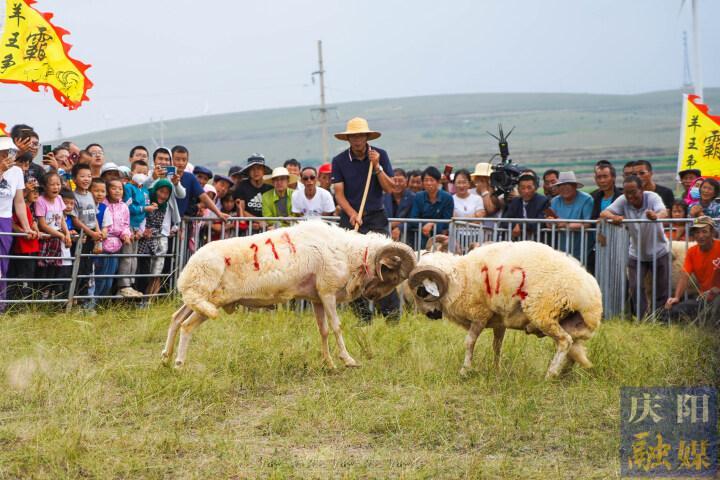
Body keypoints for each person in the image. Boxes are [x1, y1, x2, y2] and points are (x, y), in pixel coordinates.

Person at [331, 117, 398, 323]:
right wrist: (351, 213)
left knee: (383, 266)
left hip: (376, 217)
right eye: (353, 136)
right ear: (348, 139)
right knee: (352, 268)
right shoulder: (339, 161)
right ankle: (362, 316)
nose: (357, 140)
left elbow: (390, 188)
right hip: (351, 218)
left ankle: (390, 315)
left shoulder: (380, 155)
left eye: (361, 135)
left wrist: (377, 166)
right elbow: (339, 194)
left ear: (367, 137)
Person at [600, 175, 670, 318]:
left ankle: (660, 318)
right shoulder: (623, 200)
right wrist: (614, 217)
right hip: (636, 253)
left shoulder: (652, 197)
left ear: (642, 189)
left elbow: (664, 212)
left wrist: (656, 216)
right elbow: (604, 213)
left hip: (659, 251)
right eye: (627, 192)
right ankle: (641, 318)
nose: (630, 196)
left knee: (661, 288)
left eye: (633, 192)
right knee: (635, 287)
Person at [0, 137, 35, 309]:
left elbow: (19, 201)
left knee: (3, 263)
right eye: (4, 152)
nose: (7, 155)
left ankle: (1, 304)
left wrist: (26, 226)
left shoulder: (16, 172)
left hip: (5, 219)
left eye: (10, 151)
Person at [664, 216, 720, 324]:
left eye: (704, 231)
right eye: (697, 232)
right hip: (706, 299)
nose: (700, 236)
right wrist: (676, 297)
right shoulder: (692, 252)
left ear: (712, 233)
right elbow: (685, 276)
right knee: (675, 310)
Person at [116, 161, 151, 298]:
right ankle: (123, 285)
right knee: (126, 255)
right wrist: (143, 209)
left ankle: (130, 283)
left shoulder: (145, 190)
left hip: (138, 227)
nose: (141, 175)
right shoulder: (129, 188)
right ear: (132, 173)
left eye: (144, 172)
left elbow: (145, 211)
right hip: (127, 225)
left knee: (133, 256)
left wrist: (141, 229)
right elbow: (127, 207)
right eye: (139, 172)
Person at [35, 172, 72, 300]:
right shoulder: (40, 201)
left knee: (54, 269)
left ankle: (50, 297)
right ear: (44, 186)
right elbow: (43, 224)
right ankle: (39, 297)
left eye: (58, 184)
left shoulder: (59, 199)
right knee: (43, 270)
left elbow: (61, 219)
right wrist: (61, 235)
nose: (56, 187)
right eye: (52, 184)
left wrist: (66, 233)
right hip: (46, 239)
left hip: (58, 238)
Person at [69, 163, 102, 310]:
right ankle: (73, 300)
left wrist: (98, 233)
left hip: (91, 236)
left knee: (87, 269)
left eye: (89, 176)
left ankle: (82, 301)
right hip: (80, 237)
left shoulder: (90, 195)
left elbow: (94, 216)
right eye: (82, 176)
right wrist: (91, 233)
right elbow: (75, 219)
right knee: (77, 268)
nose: (86, 179)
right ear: (74, 178)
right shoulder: (73, 196)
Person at [138, 179, 174, 300]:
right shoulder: (146, 202)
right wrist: (144, 230)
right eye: (161, 191)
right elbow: (139, 218)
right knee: (139, 270)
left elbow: (160, 226)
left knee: (155, 272)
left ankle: (148, 301)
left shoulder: (165, 207)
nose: (163, 195)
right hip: (141, 240)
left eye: (166, 193)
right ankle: (135, 299)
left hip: (155, 242)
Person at [96, 179, 132, 298]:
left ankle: (103, 302)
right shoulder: (102, 205)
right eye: (114, 188)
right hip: (102, 243)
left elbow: (125, 225)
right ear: (107, 191)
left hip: (116, 246)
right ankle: (93, 302)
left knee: (109, 277)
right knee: (99, 275)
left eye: (120, 188)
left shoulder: (124, 207)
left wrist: (126, 235)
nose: (117, 191)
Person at [171, 146, 228, 220]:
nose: (181, 163)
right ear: (171, 160)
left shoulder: (190, 178)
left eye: (184, 160)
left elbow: (204, 197)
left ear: (187, 161)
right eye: (177, 159)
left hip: (180, 223)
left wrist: (218, 213)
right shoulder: (164, 177)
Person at [549, 171, 594, 263]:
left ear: (575, 186)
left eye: (568, 185)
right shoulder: (555, 201)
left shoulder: (587, 199)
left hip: (583, 249)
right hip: (562, 250)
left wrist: (565, 224)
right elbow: (550, 223)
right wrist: (550, 222)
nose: (565, 188)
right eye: (562, 185)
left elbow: (587, 224)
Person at [409, 166, 454, 249]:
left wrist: (433, 224)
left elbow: (447, 220)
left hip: (442, 237)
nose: (429, 183)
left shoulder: (447, 197)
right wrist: (425, 225)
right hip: (422, 236)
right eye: (426, 180)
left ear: (438, 182)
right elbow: (413, 218)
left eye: (432, 180)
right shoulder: (418, 196)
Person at [9, 179, 40, 300]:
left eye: (38, 191)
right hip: (22, 248)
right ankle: (20, 305)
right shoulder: (18, 207)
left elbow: (32, 223)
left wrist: (35, 228)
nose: (36, 193)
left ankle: (25, 304)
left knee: (29, 277)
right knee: (22, 278)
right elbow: (13, 223)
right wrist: (23, 232)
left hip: (32, 248)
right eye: (33, 191)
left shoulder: (29, 208)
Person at [503, 171, 550, 241]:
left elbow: (540, 221)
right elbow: (504, 221)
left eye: (529, 188)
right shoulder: (515, 201)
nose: (526, 191)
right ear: (518, 189)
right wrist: (515, 226)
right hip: (518, 242)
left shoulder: (543, 201)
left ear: (536, 188)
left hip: (537, 242)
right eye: (523, 188)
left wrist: (520, 225)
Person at [232, 155, 273, 230]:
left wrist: (266, 224)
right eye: (252, 169)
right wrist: (259, 221)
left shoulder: (270, 188)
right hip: (247, 228)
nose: (256, 172)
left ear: (263, 171)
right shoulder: (241, 187)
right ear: (248, 171)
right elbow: (241, 209)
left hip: (267, 228)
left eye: (259, 168)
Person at [383, 168, 415, 242]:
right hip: (386, 236)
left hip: (408, 238)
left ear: (406, 180)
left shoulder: (413, 197)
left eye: (400, 181)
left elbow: (414, 218)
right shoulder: (383, 198)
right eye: (394, 180)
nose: (397, 184)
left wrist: (400, 227)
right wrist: (390, 224)